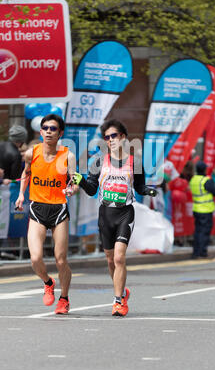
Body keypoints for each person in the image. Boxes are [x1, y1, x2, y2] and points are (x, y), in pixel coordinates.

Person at [73, 119, 157, 317]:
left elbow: (139, 188)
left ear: (123, 137)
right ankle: (121, 291)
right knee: (111, 261)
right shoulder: (99, 162)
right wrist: (82, 181)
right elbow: (92, 189)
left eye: (114, 136)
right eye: (107, 137)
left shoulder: (134, 162)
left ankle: (118, 301)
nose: (110, 140)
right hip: (105, 214)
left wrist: (149, 191)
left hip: (125, 213)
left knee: (119, 257)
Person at [15, 114, 77, 315]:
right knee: (35, 258)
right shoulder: (32, 153)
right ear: (40, 132)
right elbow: (26, 173)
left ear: (60, 133)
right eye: (46, 128)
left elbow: (74, 181)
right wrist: (20, 195)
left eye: (53, 128)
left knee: (60, 259)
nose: (49, 131)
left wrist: (71, 190)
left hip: (59, 208)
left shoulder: (68, 156)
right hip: (37, 208)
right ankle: (48, 282)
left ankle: (64, 298)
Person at [189, 160, 215, 259]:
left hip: (196, 208)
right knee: (204, 232)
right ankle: (202, 252)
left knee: (197, 231)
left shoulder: (193, 179)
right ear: (205, 169)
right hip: (205, 210)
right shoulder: (206, 180)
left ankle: (196, 252)